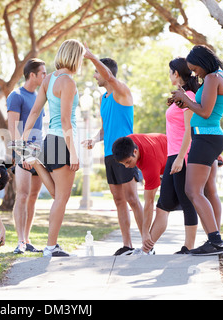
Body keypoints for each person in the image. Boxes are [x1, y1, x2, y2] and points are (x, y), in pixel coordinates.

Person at [12, 39, 85, 257]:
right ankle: (51, 247)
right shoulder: (68, 82)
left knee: (57, 195)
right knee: (62, 199)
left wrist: (23, 141)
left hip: (49, 142)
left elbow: (34, 113)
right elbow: (65, 121)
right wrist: (73, 152)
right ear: (75, 57)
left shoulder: (49, 80)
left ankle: (35, 161)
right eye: (80, 57)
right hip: (62, 141)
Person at [81, 45, 143, 256]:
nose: (95, 75)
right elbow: (105, 127)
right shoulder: (103, 99)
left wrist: (91, 56)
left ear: (106, 73)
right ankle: (127, 245)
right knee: (119, 201)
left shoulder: (121, 91)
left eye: (97, 72)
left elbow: (109, 77)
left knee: (132, 199)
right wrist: (94, 139)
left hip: (126, 153)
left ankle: (147, 245)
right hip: (109, 154)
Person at [171, 45, 223, 256]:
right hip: (207, 136)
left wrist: (186, 98)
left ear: (203, 63)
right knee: (204, 190)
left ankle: (215, 241)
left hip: (206, 136)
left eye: (195, 69)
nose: (195, 73)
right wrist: (185, 103)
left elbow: (205, 112)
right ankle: (214, 240)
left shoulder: (214, 78)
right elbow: (204, 108)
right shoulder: (216, 77)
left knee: (192, 190)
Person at [139, 57, 200, 255]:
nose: (169, 75)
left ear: (176, 73)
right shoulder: (180, 95)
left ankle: (188, 247)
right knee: (163, 204)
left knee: (186, 200)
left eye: (170, 72)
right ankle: (146, 249)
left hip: (182, 155)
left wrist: (180, 158)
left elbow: (189, 132)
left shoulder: (189, 95)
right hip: (172, 155)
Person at [7, 58, 46, 254]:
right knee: (22, 195)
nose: (45, 76)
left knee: (33, 196)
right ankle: (20, 241)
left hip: (39, 152)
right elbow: (12, 128)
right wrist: (22, 154)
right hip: (24, 152)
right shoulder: (16, 96)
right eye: (43, 73)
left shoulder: (40, 96)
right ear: (33, 75)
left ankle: (27, 239)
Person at [112, 133, 167, 255]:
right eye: (123, 164)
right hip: (164, 152)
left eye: (128, 162)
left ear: (135, 152)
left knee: (164, 207)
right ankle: (147, 250)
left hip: (179, 160)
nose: (126, 166)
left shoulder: (150, 163)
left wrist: (145, 232)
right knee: (164, 207)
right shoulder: (128, 141)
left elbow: (149, 202)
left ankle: (147, 249)